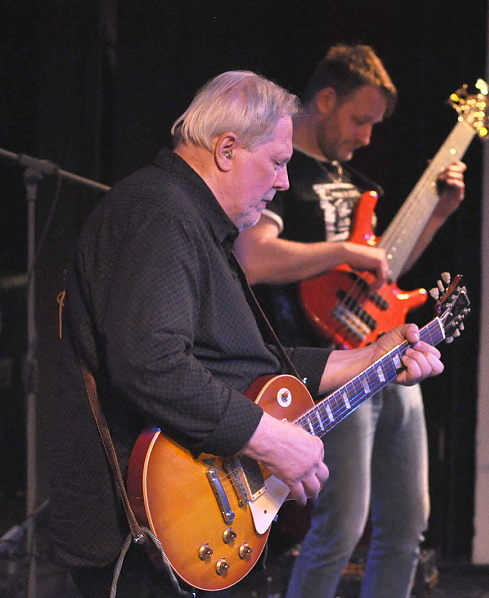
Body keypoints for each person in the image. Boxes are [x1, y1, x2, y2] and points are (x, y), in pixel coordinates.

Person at [46, 70, 444, 598]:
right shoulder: (159, 212)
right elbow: (151, 362)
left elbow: (236, 362)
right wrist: (273, 439)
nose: (284, 182)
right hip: (141, 530)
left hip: (177, 528)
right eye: (277, 162)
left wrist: (370, 357)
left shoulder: (191, 220)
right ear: (227, 149)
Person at [233, 44, 465, 598]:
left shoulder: (359, 185)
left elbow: (383, 273)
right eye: (360, 119)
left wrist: (438, 213)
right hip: (328, 365)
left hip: (385, 352)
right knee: (341, 525)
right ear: (326, 100)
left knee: (408, 524)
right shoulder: (283, 174)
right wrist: (341, 250)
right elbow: (253, 258)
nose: (367, 136)